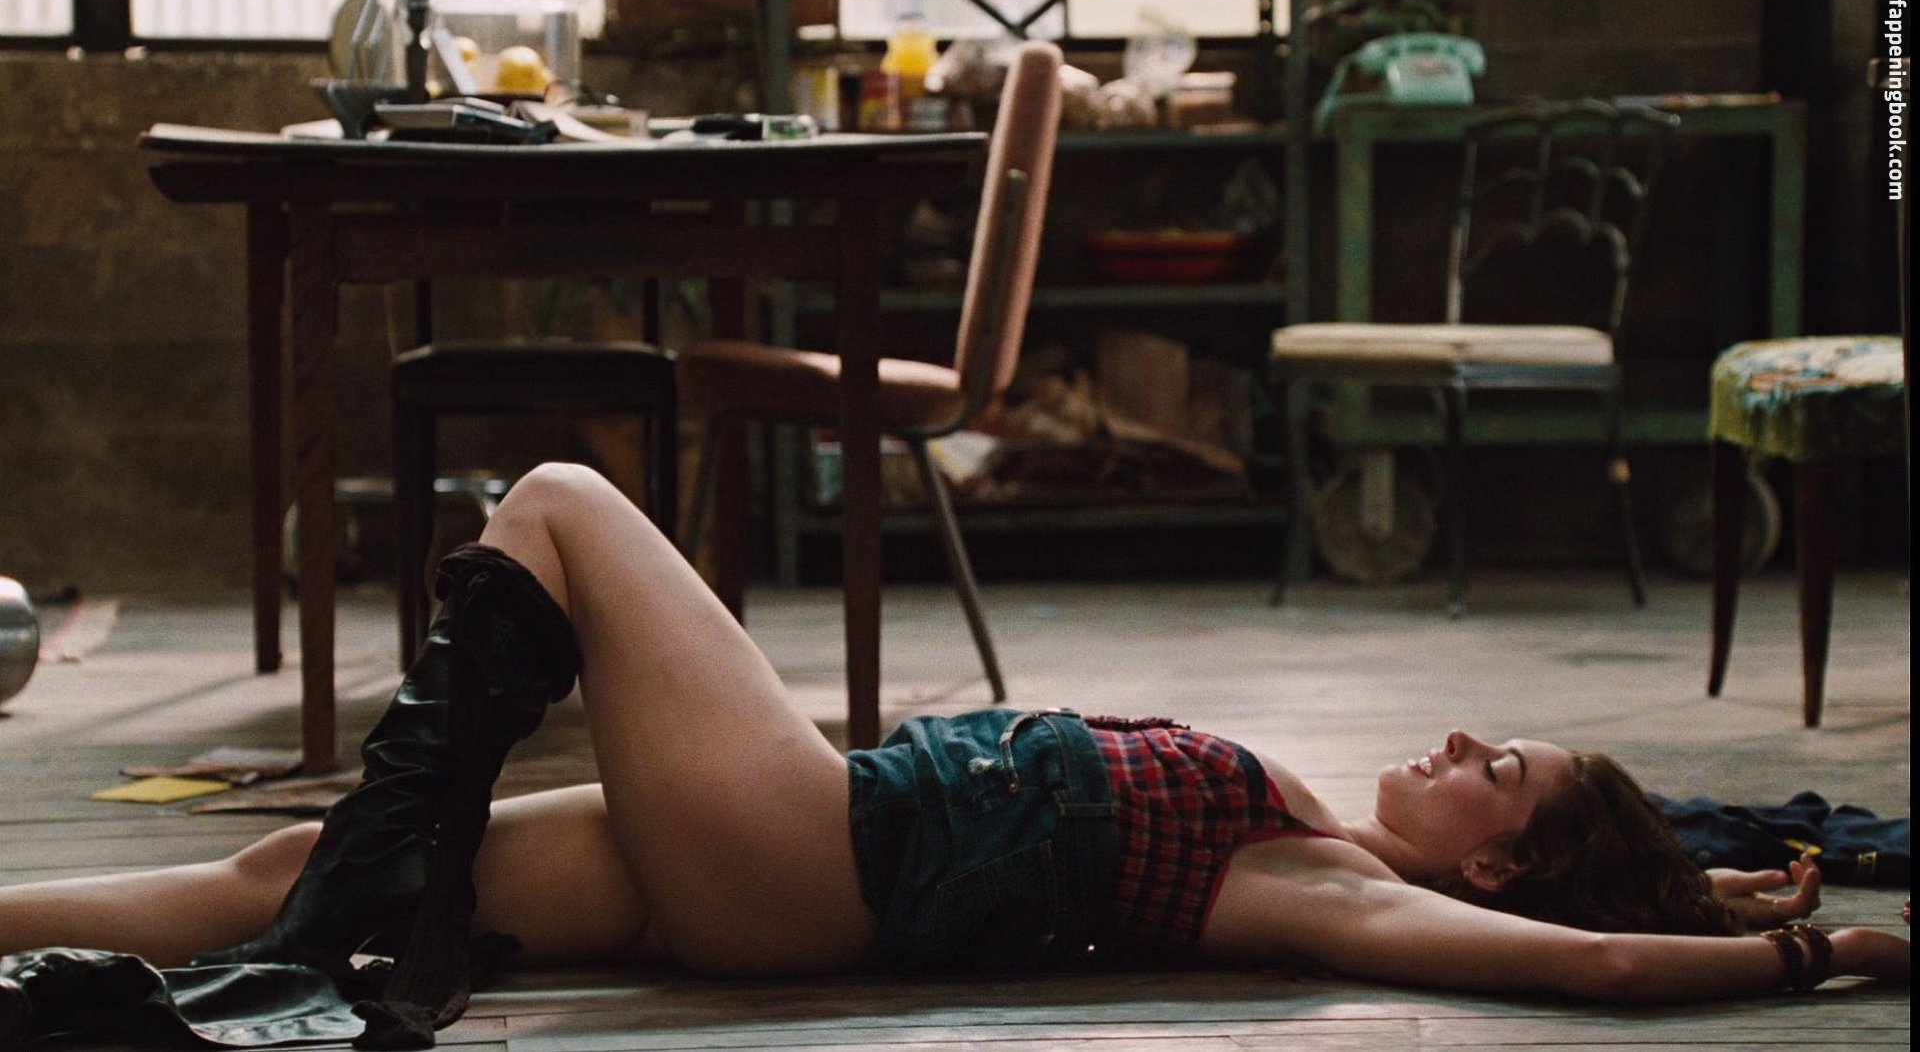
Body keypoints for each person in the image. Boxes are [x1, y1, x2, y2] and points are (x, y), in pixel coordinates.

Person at [0, 463, 1908, 1048]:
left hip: (812, 853)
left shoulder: (1329, 889)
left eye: (1505, 770)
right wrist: (1736, 880)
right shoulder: (1325, 822)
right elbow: (1630, 898)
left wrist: (1819, 956)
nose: (1470, 737)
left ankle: (349, 951)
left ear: (1490, 865)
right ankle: (309, 933)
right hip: (777, 837)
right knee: (300, 859)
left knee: (563, 502)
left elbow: (1600, 962)